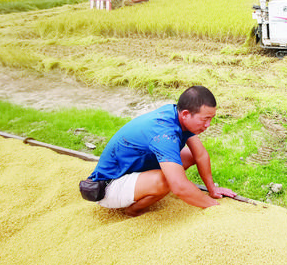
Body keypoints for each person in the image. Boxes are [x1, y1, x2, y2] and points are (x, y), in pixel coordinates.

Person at [82, 85, 236, 216]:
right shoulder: (164, 134)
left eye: (211, 118)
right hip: (108, 187)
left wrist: (212, 189)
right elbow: (179, 187)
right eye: (205, 119)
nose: (208, 125)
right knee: (168, 180)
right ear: (186, 114)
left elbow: (200, 155)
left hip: (131, 171)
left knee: (188, 156)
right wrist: (214, 207)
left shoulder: (175, 114)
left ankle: (144, 190)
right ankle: (133, 211)